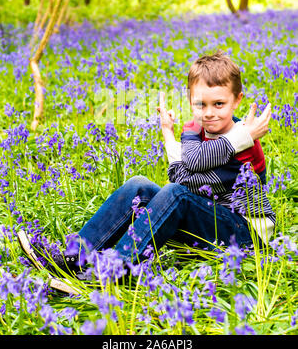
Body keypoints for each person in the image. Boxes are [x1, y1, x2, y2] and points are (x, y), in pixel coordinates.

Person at [18, 51, 275, 281]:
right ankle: (73, 258)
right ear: (190, 100)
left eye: (219, 104)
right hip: (207, 222)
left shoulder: (245, 137)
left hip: (245, 235)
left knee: (177, 194)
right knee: (138, 185)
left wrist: (240, 139)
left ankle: (111, 272)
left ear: (237, 100)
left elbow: (188, 172)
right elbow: (180, 172)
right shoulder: (196, 131)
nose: (209, 113)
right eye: (200, 104)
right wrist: (168, 133)